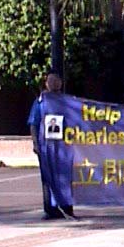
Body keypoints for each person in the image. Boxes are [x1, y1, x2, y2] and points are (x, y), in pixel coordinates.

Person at [27, 71, 75, 220]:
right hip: (46, 147)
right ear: (46, 83)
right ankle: (50, 209)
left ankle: (67, 207)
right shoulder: (40, 102)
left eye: (56, 80)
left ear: (61, 82)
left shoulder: (67, 102)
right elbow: (34, 123)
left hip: (64, 147)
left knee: (65, 178)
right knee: (47, 178)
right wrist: (35, 143)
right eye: (50, 80)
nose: (54, 83)